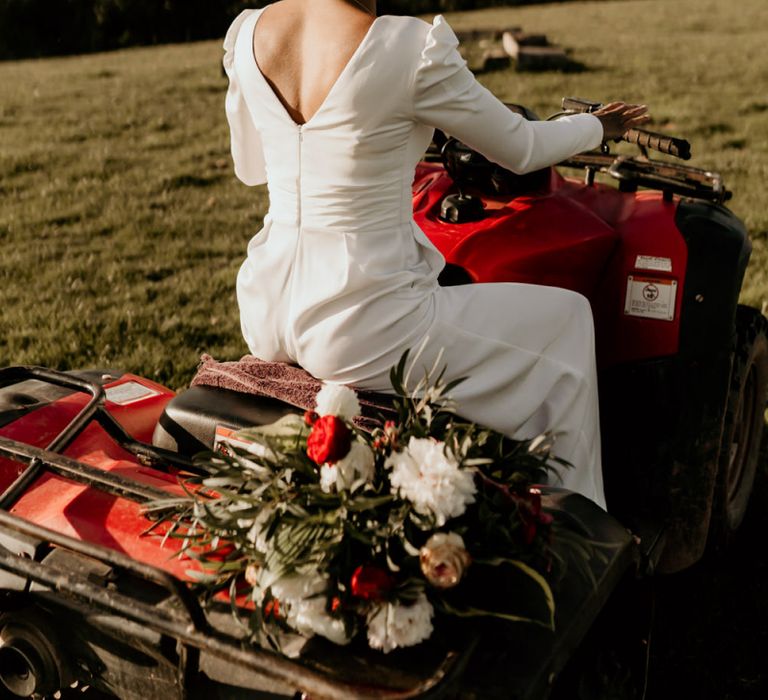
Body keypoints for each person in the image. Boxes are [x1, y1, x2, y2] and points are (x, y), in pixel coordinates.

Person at [222, 0, 650, 510]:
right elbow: (521, 147)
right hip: (363, 322)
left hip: (267, 304)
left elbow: (250, 167)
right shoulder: (406, 46)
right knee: (569, 320)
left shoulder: (249, 32)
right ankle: (578, 533)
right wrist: (600, 127)